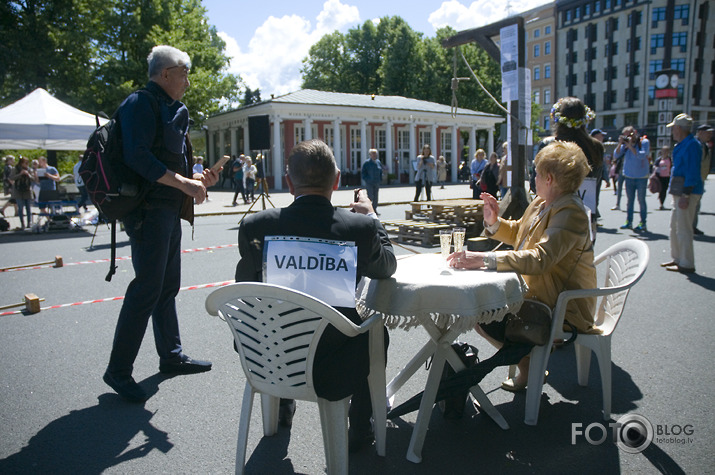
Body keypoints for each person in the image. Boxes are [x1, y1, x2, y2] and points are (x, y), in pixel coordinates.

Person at [235, 138, 397, 452]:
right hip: (335, 365)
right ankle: (360, 427)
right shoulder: (359, 228)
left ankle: (282, 404)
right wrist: (373, 216)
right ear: (336, 181)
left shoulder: (255, 226)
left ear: (288, 183)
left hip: (269, 356)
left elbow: (247, 285)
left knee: (281, 315)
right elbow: (386, 267)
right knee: (378, 334)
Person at [103, 45, 219, 403]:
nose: (187, 80)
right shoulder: (141, 102)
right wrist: (184, 184)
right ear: (164, 73)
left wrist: (198, 178)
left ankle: (170, 356)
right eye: (184, 72)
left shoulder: (174, 109)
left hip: (168, 211)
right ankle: (118, 371)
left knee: (167, 287)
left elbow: (175, 160)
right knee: (147, 289)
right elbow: (136, 156)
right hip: (147, 211)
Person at [448, 141, 597, 391]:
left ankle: (528, 365)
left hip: (564, 305)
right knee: (480, 310)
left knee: (480, 311)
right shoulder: (543, 201)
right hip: (543, 293)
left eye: (536, 173)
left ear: (549, 179)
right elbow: (519, 231)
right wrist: (495, 222)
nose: (533, 177)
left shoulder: (571, 211)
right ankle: (528, 364)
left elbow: (540, 259)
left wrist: (484, 259)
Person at [661, 114, 703, 274]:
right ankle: (677, 258)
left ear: (679, 128)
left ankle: (686, 262)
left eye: (674, 128)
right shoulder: (685, 144)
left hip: (686, 193)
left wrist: (685, 195)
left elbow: (692, 171)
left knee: (684, 228)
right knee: (675, 226)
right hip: (680, 191)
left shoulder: (692, 145)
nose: (672, 131)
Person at [614, 126, 650, 232]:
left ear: (634, 132)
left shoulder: (644, 142)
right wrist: (620, 143)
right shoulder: (625, 145)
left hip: (641, 176)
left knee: (641, 200)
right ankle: (628, 221)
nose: (628, 136)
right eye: (625, 135)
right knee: (630, 201)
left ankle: (643, 223)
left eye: (629, 134)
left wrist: (630, 146)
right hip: (628, 176)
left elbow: (642, 155)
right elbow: (616, 155)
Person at [693, 124, 712, 235]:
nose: (710, 135)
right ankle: (690, 227)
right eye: (707, 132)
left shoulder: (704, 145)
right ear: (700, 132)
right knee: (692, 205)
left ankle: (692, 226)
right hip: (695, 180)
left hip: (700, 179)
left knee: (696, 205)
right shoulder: (696, 145)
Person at [9, 157, 33, 229]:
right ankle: (22, 223)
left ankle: (29, 222)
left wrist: (28, 175)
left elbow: (34, 179)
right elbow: (11, 178)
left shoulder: (29, 169)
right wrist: (20, 174)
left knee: (28, 208)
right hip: (18, 191)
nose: (27, 164)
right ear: (21, 163)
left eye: (27, 163)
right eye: (25, 163)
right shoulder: (15, 169)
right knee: (20, 208)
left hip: (27, 191)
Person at [361, 148, 384, 213]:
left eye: (375, 154)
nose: (374, 155)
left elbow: (380, 171)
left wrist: (380, 179)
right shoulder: (367, 163)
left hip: (377, 182)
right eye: (373, 154)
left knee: (376, 197)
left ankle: (374, 209)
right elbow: (363, 172)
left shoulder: (378, 162)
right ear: (370, 155)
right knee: (370, 196)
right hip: (369, 183)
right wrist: (366, 179)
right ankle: (369, 210)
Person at [654, 146, 672, 210]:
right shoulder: (659, 159)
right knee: (660, 190)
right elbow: (655, 167)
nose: (665, 153)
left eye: (666, 151)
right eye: (664, 151)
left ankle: (662, 203)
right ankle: (660, 201)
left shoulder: (670, 160)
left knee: (664, 190)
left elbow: (672, 167)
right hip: (659, 177)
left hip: (667, 177)